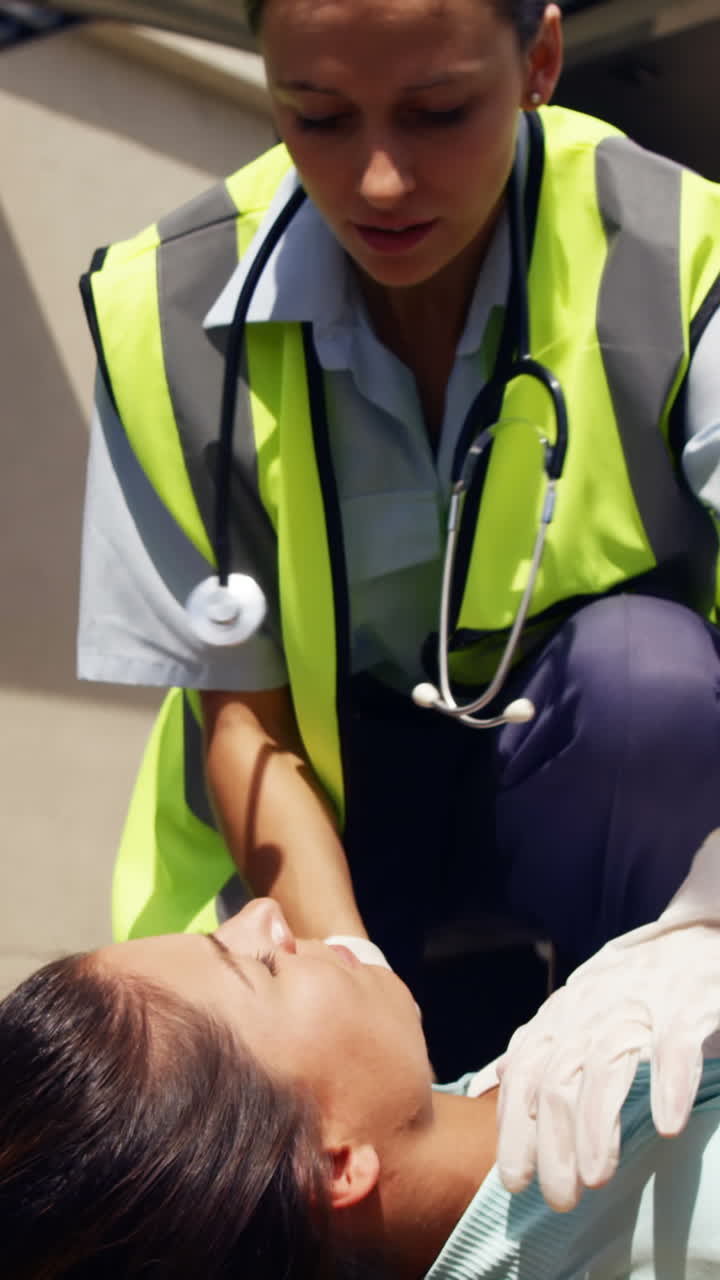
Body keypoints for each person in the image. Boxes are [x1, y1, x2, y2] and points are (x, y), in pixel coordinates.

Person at [79, 0, 720, 1080]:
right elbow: (245, 720)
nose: (379, 180)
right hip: (307, 838)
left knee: (647, 684)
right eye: (317, 116)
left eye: (437, 111)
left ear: (540, 61)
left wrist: (708, 911)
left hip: (597, 792)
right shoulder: (162, 307)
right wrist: (353, 988)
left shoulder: (682, 252)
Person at [2, 892, 720, 1278]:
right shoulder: (686, 1223)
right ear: (333, 1164)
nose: (266, 914)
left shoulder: (482, 1119)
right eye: (261, 968)